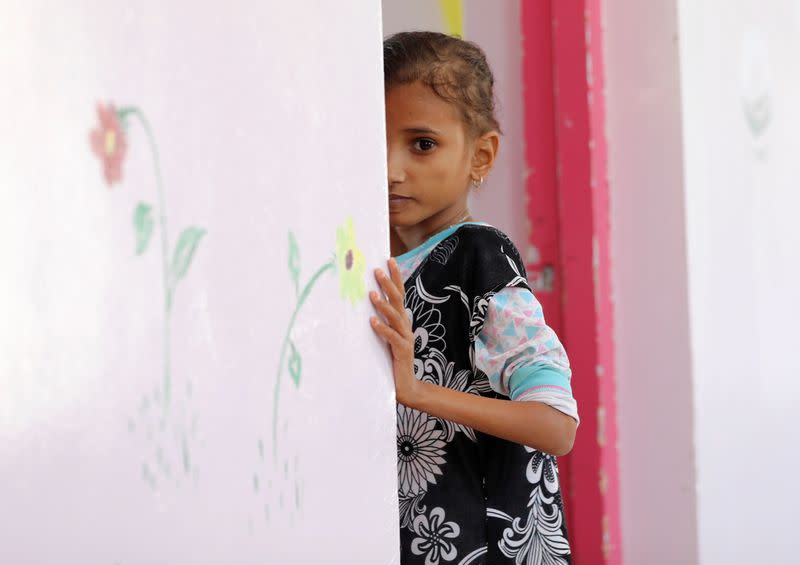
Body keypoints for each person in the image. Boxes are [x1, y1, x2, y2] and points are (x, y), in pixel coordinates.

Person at [369, 32, 579, 565]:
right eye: (373, 141)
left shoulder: (479, 256)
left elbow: (555, 424)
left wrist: (416, 391)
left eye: (422, 144)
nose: (391, 169)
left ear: (480, 154)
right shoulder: (374, 260)